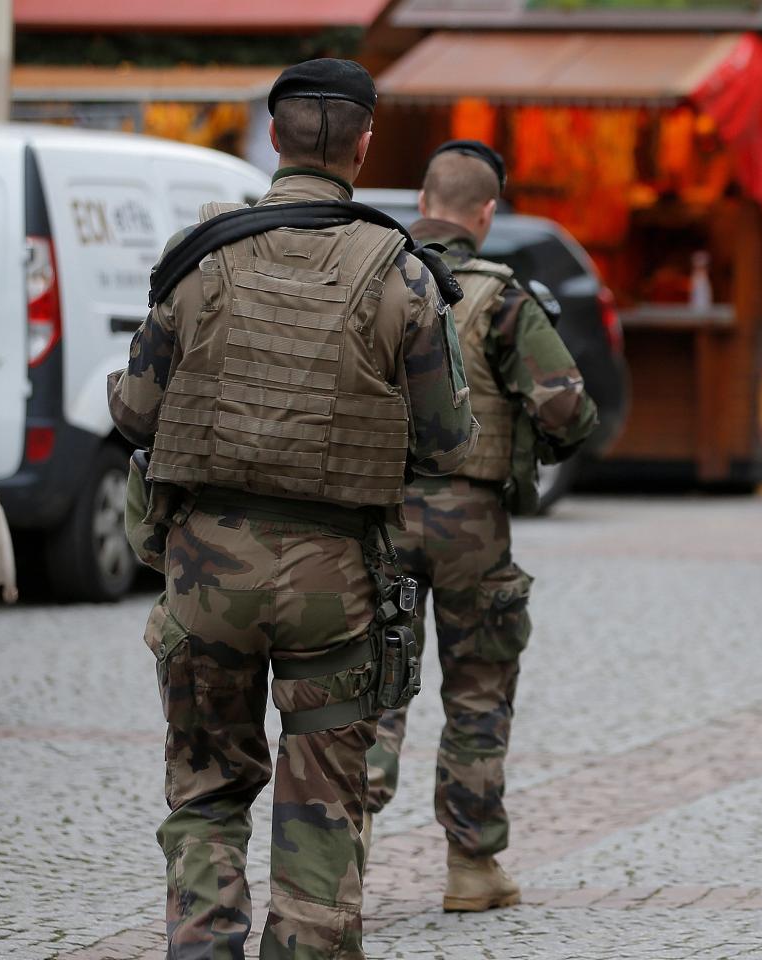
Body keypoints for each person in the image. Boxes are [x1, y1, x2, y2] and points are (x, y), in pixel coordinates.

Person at [107, 59, 475, 959]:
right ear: (363, 144)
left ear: (272, 138)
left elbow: (131, 412)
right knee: (322, 795)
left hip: (205, 572)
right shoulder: (404, 272)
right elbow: (451, 440)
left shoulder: (201, 256)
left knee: (206, 787)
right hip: (334, 577)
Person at [362, 140, 598, 911]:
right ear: (486, 214)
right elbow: (566, 408)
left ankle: (336, 864)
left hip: (378, 517)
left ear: (422, 200)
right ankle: (471, 867)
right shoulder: (502, 296)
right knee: (477, 691)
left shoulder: (369, 279)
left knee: (371, 687)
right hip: (471, 520)